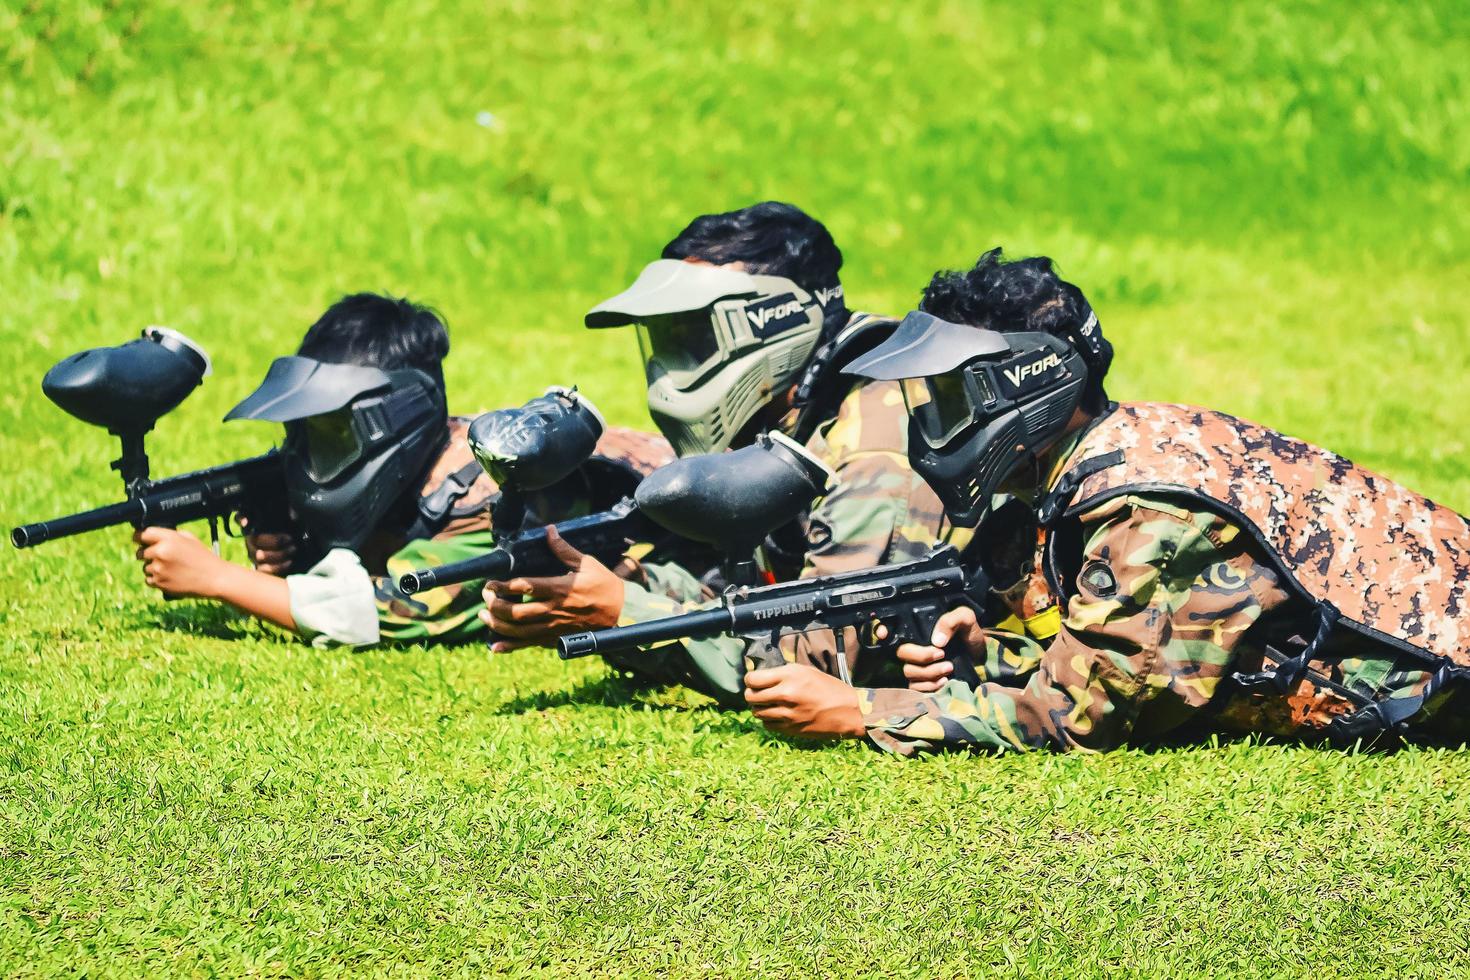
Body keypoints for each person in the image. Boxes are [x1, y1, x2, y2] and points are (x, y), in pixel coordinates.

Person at [743, 248, 1470, 753]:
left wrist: (859, 711)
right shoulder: (1107, 458)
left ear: (1028, 389)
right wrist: (985, 654)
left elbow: (1082, 714)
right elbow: (1108, 656)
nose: (935, 420)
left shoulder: (1150, 517)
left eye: (956, 394)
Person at [480, 203, 1030, 704]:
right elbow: (763, 585)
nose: (668, 375)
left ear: (774, 325)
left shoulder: (878, 435)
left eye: (691, 340)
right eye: (663, 342)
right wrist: (604, 584)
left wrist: (621, 612)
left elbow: (830, 660)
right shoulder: (792, 407)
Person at [133, 292, 671, 646]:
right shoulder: (427, 462)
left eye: (333, 432)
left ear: (392, 422)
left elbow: (380, 609)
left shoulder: (489, 499)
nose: (310, 457)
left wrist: (219, 579)